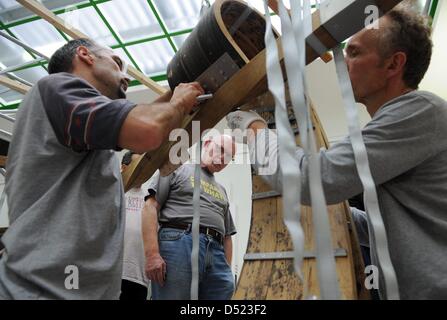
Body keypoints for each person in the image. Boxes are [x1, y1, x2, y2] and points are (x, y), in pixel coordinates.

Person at [227, 7, 447, 299]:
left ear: (394, 64)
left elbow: (313, 179)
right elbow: (400, 226)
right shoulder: (405, 123)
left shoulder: (420, 111)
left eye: (354, 53)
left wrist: (253, 129)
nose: (341, 63)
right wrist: (341, 217)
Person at [0, 38, 204, 299]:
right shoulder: (58, 85)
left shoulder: (83, 129)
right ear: (85, 55)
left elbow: (144, 117)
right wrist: (178, 102)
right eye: (117, 63)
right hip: (44, 290)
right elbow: (147, 131)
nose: (125, 77)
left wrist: (175, 95)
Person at [142, 135, 237, 300]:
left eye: (229, 157)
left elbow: (227, 236)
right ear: (207, 144)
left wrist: (226, 268)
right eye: (221, 149)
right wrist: (152, 254)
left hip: (216, 251)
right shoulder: (176, 168)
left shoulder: (222, 190)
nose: (223, 158)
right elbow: (150, 207)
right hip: (180, 241)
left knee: (224, 290)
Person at [120, 151, 150, 300]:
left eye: (144, 166)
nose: (142, 170)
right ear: (124, 168)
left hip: (139, 278)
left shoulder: (150, 200)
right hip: (112, 274)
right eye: (137, 166)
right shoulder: (114, 194)